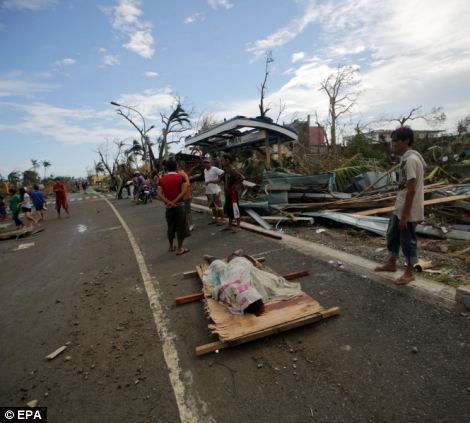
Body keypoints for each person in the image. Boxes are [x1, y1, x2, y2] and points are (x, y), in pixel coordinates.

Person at [375, 126, 426, 285]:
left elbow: (411, 190)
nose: (394, 144)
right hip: (401, 207)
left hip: (408, 210)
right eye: (393, 141)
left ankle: (410, 272)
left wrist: (405, 215)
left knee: (407, 240)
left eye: (397, 141)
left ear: (406, 141)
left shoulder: (411, 160)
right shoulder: (405, 158)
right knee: (392, 234)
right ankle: (391, 262)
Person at [157, 160, 190, 255]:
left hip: (168, 207)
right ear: (176, 166)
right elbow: (183, 191)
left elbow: (159, 193)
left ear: (166, 168)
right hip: (179, 205)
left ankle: (171, 246)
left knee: (170, 227)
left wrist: (168, 202)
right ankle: (180, 249)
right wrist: (174, 202)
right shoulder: (181, 177)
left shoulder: (162, 179)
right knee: (181, 227)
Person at [221, 154, 245, 233]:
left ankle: (238, 226)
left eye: (223, 160)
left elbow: (242, 178)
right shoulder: (226, 169)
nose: (222, 162)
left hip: (233, 193)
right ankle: (230, 225)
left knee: (235, 208)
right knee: (229, 208)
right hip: (228, 193)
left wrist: (234, 186)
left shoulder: (232, 169)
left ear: (227, 160)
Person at [203, 158, 225, 225]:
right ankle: (216, 219)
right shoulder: (205, 170)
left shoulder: (214, 169)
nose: (206, 164)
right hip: (208, 191)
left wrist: (218, 179)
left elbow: (223, 172)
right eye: (205, 163)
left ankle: (222, 220)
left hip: (215, 191)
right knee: (213, 207)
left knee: (219, 206)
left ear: (210, 163)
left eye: (208, 162)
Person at [177, 163, 193, 231]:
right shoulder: (179, 174)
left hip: (185, 196)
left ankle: (191, 224)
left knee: (187, 211)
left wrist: (189, 195)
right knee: (184, 212)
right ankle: (186, 224)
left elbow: (188, 185)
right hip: (181, 196)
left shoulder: (182, 174)